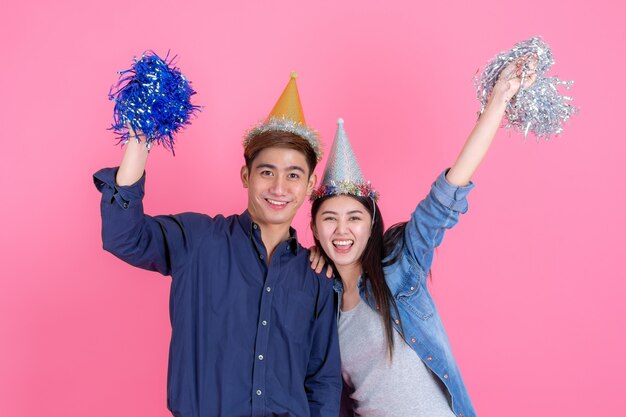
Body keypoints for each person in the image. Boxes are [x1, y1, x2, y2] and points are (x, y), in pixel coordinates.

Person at [94, 73, 342, 417]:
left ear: (310, 184)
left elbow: (323, 380)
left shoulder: (317, 276)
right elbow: (125, 236)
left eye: (294, 175)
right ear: (246, 175)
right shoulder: (197, 240)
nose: (279, 188)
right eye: (267, 172)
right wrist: (139, 139)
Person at [309, 58, 537, 417]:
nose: (341, 230)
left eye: (354, 218)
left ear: (371, 225)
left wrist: (498, 100)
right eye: (329, 219)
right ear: (315, 229)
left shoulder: (400, 266)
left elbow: (448, 192)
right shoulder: (319, 300)